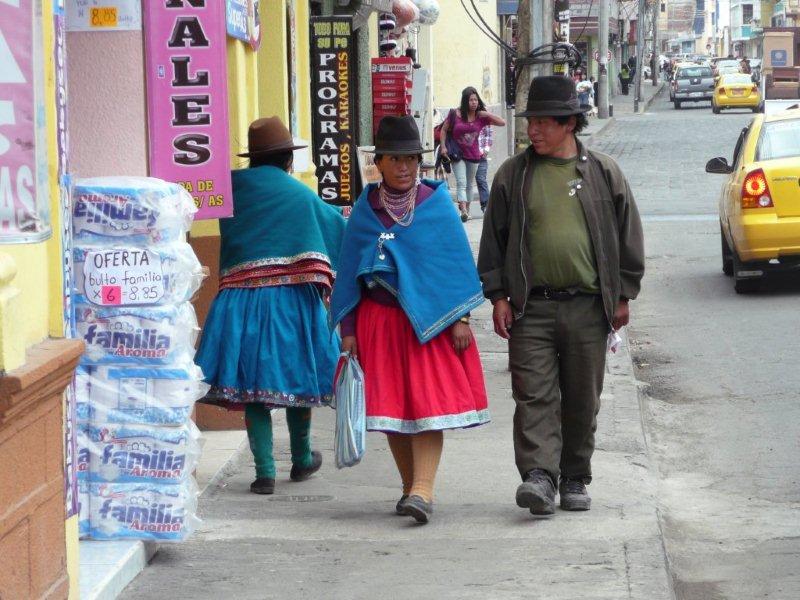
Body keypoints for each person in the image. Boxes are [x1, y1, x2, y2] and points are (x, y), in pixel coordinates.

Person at [477, 76, 644, 517]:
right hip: (530, 307)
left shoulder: (603, 172)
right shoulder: (513, 175)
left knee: (582, 396)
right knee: (532, 394)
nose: (533, 130)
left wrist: (623, 294)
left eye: (544, 122)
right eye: (531, 120)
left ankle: (573, 476)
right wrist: (498, 295)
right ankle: (539, 476)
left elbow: (628, 236)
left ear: (570, 123)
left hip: (588, 306)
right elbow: (493, 241)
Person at [331, 116, 490, 524]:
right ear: (379, 162)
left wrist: (461, 319)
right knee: (392, 410)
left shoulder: (436, 207)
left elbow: (453, 265)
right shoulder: (364, 214)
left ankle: (423, 490)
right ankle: (409, 488)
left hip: (430, 324)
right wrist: (348, 332)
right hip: (377, 322)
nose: (405, 167)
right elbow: (349, 273)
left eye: (412, 160)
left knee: (426, 405)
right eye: (396, 159)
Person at [195, 117, 346, 495]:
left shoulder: (228, 190)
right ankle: (301, 458)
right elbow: (337, 231)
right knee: (297, 377)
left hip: (239, 302)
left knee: (252, 387)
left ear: (253, 157)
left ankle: (264, 472)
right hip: (290, 302)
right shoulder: (299, 195)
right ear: (287, 160)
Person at [439, 86, 505, 222]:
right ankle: (463, 209)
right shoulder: (454, 114)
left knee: (469, 184)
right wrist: (443, 147)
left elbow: (502, 122)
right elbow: (444, 130)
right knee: (461, 182)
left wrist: (487, 114)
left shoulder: (480, 117)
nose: (474, 102)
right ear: (465, 101)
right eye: (471, 100)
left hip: (474, 155)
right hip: (457, 154)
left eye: (475, 100)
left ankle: (466, 210)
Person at [476, 124, 493, 213]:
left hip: (481, 155)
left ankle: (486, 205)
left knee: (481, 179)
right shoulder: (465, 116)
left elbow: (489, 135)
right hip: (468, 155)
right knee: (466, 182)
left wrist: (486, 150)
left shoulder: (483, 117)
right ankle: (464, 210)